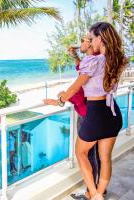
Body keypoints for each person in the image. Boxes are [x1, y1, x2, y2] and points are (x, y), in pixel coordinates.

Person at [46, 22, 128, 200]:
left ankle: (94, 195)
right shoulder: (116, 60)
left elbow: (75, 87)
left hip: (96, 113)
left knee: (81, 153)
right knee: (105, 158)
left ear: (100, 38)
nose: (90, 42)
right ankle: (99, 193)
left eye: (91, 38)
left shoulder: (94, 61)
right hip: (112, 113)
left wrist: (59, 100)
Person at [44, 34, 104, 199]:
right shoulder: (97, 61)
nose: (81, 42)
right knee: (98, 155)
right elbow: (82, 70)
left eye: (85, 39)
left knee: (87, 155)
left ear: (92, 43)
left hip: (88, 117)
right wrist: (75, 55)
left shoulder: (94, 62)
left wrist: (59, 99)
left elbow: (78, 92)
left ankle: (90, 193)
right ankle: (100, 189)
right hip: (98, 115)